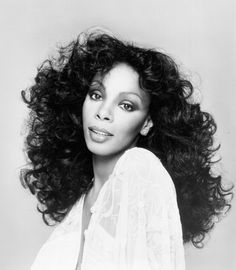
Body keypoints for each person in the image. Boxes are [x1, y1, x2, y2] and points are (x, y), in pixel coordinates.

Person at [20, 30, 233, 270]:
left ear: (147, 122)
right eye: (96, 94)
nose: (103, 112)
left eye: (126, 105)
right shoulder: (82, 201)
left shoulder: (140, 170)